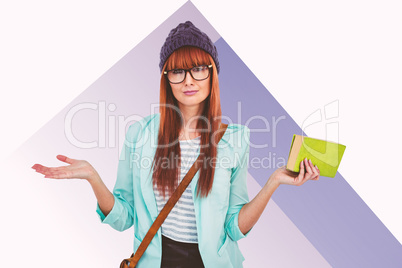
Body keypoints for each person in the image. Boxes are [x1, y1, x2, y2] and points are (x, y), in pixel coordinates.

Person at [32, 21, 320, 267]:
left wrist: (272, 183)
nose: (188, 80)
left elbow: (234, 227)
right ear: (166, 78)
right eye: (177, 71)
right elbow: (124, 218)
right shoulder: (140, 135)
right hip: (156, 261)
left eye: (198, 68)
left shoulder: (235, 139)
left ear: (212, 75)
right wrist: (93, 177)